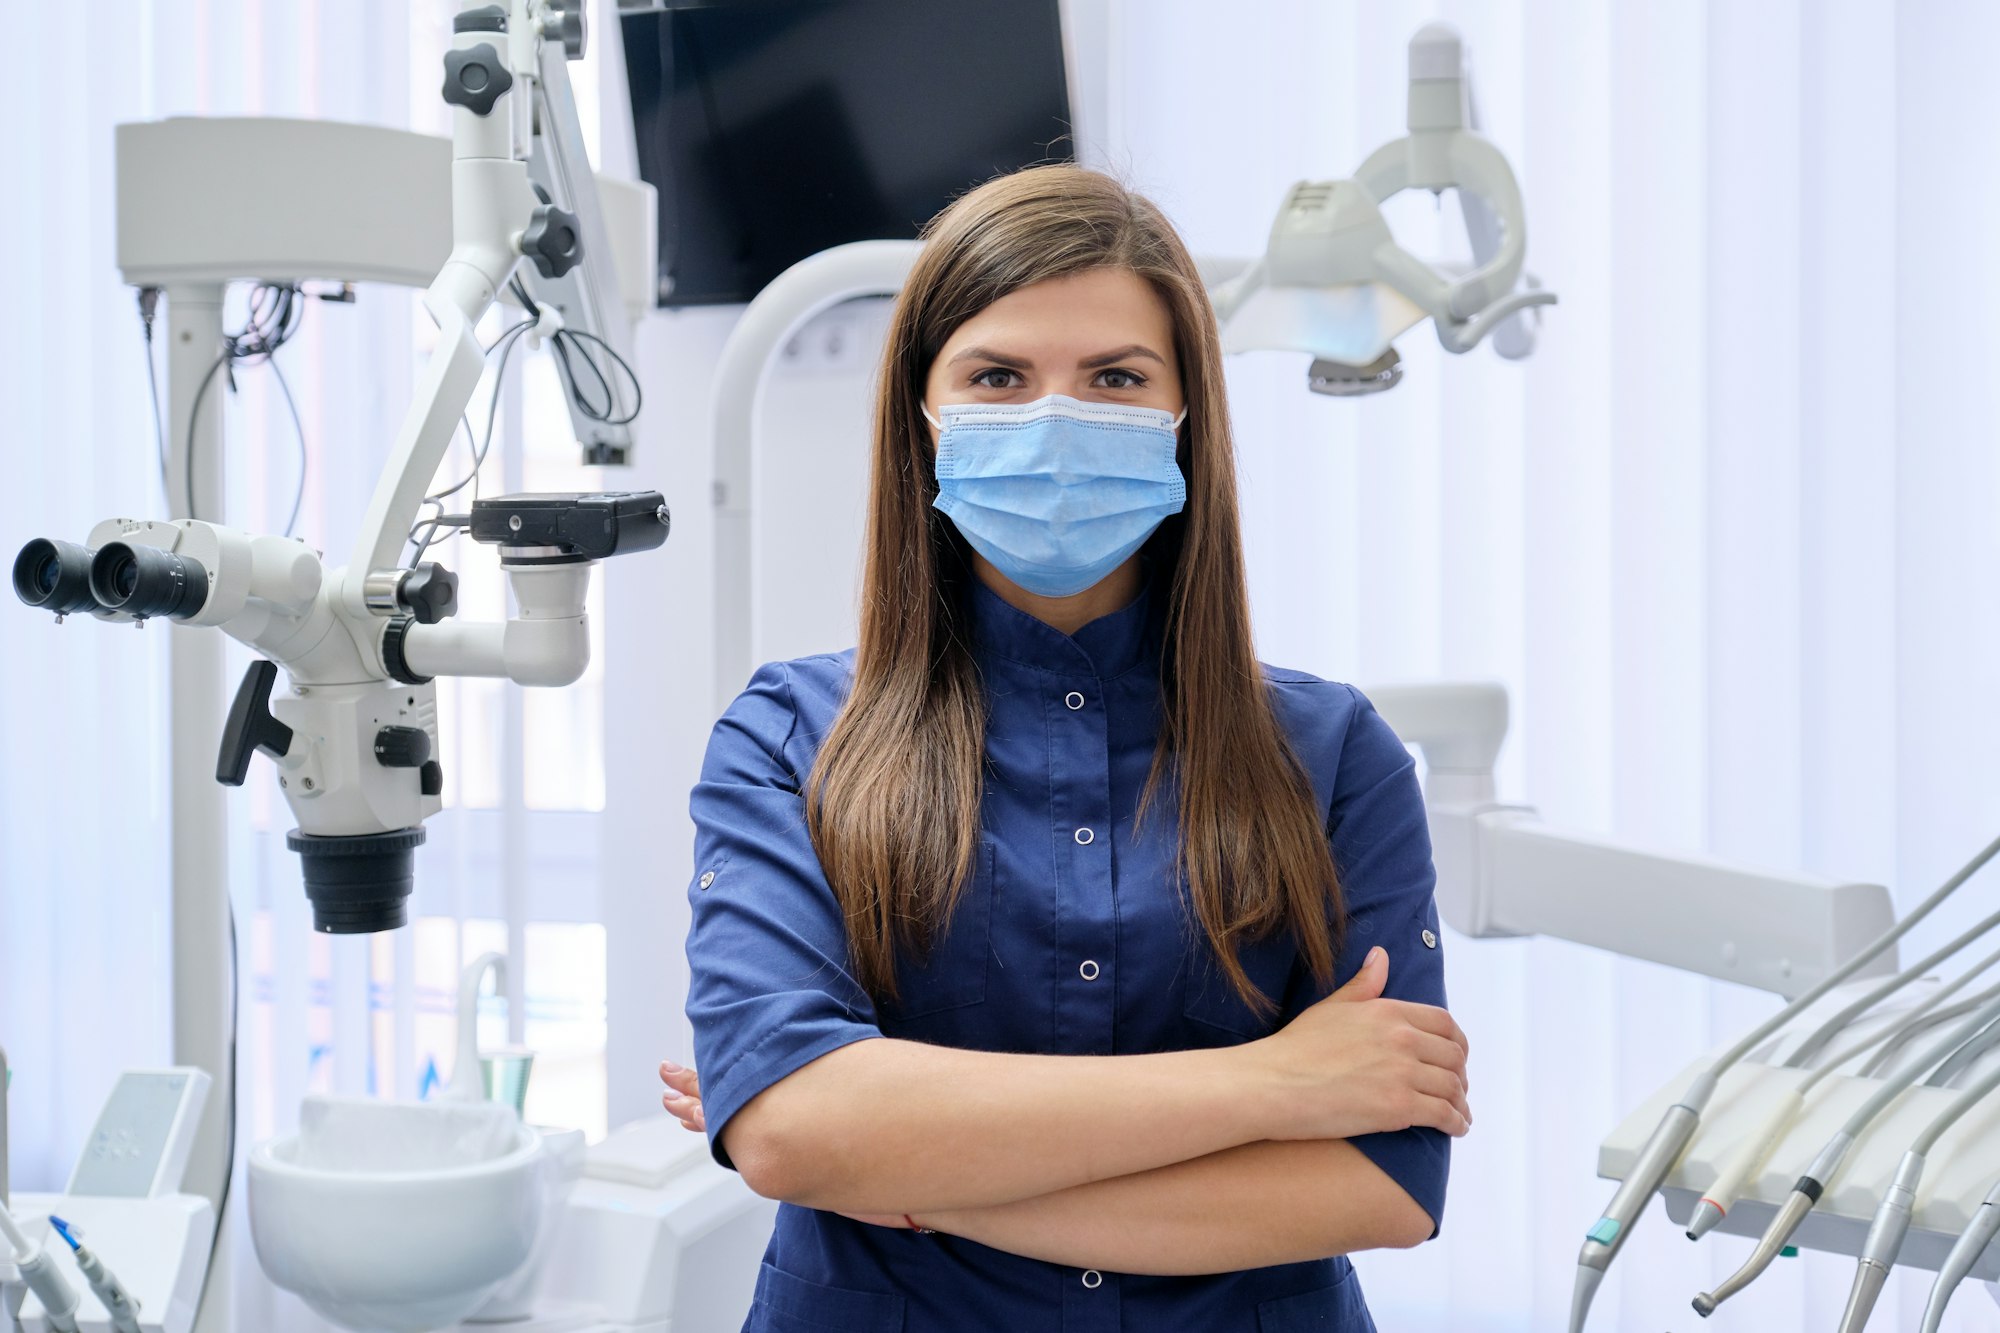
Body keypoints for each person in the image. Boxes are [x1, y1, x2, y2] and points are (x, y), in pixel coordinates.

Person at [660, 163, 1470, 1332]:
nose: (1053, 417)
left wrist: (907, 1167)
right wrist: (1271, 1082)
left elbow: (1376, 1182)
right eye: (997, 375)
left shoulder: (1331, 752)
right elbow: (793, 1128)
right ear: (922, 415)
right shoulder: (789, 738)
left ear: (1185, 414)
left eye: (1113, 378)